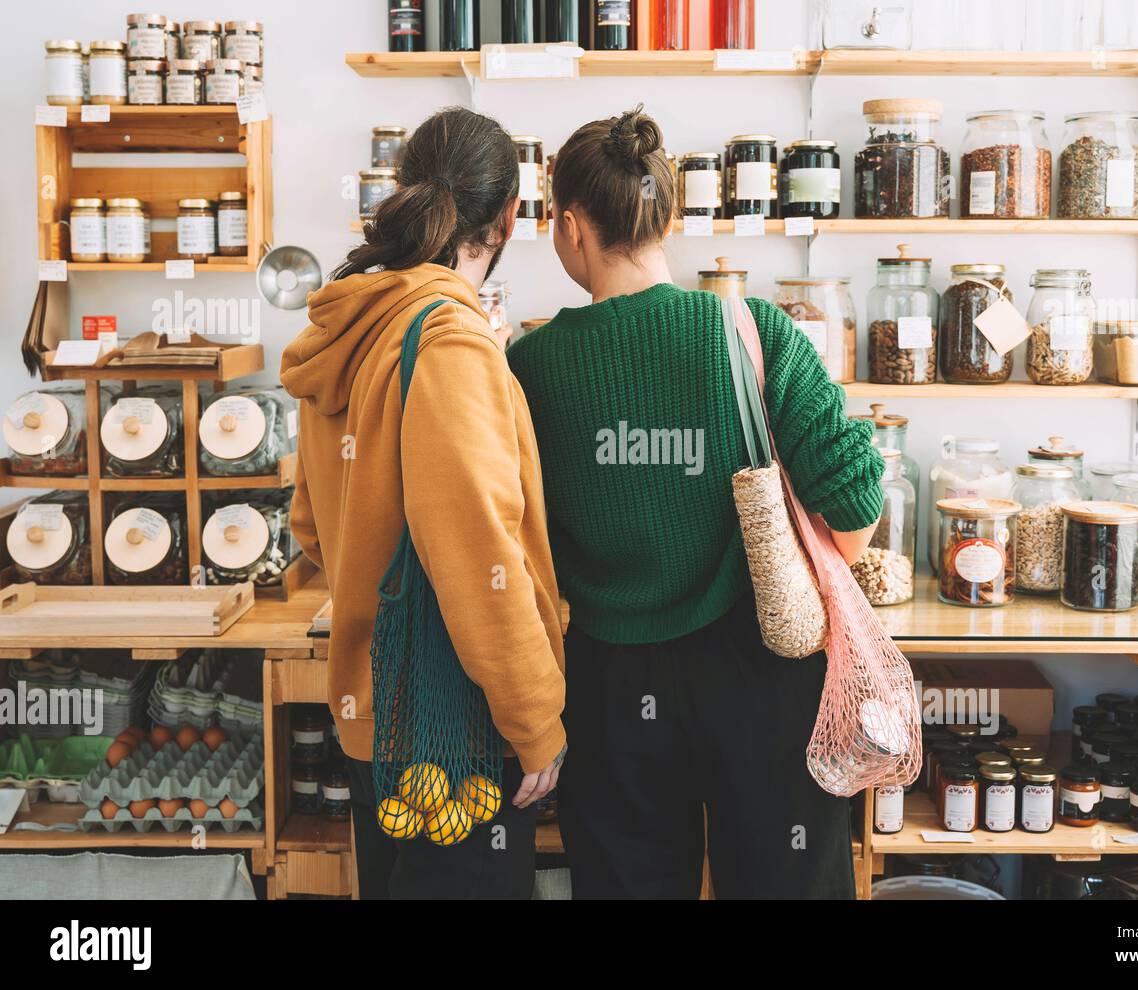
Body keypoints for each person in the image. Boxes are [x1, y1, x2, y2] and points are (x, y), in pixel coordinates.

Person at [507, 107, 885, 900]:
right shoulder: (754, 333)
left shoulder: (530, 366)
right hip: (759, 667)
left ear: (569, 226)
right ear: (669, 218)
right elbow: (854, 507)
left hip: (609, 688)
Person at [281, 107, 566, 900]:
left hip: (375, 711)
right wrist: (535, 720)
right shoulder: (447, 342)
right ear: (509, 216)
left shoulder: (353, 326)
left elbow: (311, 526)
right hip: (456, 727)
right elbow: (478, 555)